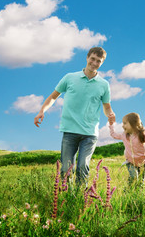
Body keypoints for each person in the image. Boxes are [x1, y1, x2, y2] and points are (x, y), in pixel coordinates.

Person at [34, 47, 115, 186]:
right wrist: (42, 110)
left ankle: (81, 199)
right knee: (66, 168)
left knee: (83, 166)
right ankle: (67, 198)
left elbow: (106, 107)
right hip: (70, 130)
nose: (94, 63)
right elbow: (53, 97)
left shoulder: (104, 85)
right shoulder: (70, 77)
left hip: (90, 132)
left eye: (99, 61)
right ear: (87, 58)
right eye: (93, 59)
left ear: (102, 63)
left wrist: (110, 115)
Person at [109, 113, 145, 188]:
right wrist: (111, 125)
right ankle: (127, 191)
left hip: (143, 163)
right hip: (130, 162)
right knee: (134, 177)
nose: (122, 125)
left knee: (140, 182)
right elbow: (114, 135)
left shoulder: (142, 135)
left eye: (125, 123)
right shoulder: (124, 135)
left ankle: (138, 196)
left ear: (133, 124)